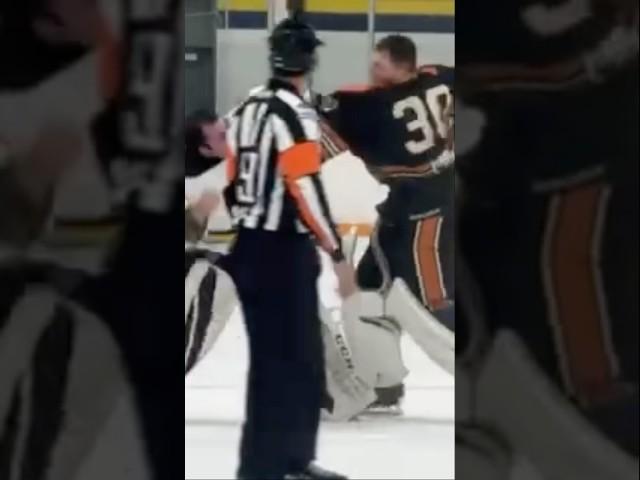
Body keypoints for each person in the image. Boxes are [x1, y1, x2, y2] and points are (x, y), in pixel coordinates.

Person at [223, 16, 356, 480]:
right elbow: (303, 186)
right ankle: (271, 467)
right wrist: (337, 253)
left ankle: (281, 462)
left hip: (249, 246)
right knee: (290, 362)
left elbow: (231, 171)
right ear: (310, 61)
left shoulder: (246, 107)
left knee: (284, 360)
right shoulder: (296, 115)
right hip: (282, 251)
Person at [315, 35, 455, 413]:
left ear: (402, 65)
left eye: (380, 66)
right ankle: (382, 384)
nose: (373, 72)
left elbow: (314, 142)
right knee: (365, 293)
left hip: (424, 219)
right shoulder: (442, 77)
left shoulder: (368, 106)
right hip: (408, 209)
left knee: (428, 309)